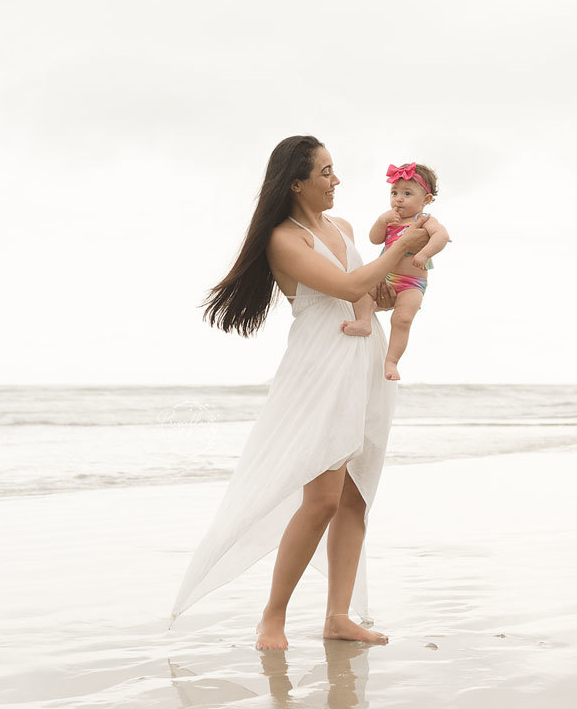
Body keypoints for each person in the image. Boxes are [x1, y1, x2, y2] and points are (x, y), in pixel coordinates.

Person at [169, 135, 429, 651]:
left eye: (335, 170)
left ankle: (338, 616)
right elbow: (348, 287)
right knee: (321, 500)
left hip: (365, 361)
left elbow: (364, 294)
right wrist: (396, 251)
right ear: (297, 182)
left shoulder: (344, 229)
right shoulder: (284, 239)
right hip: (319, 366)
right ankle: (272, 616)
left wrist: (385, 291)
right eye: (326, 172)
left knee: (356, 495)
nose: (337, 181)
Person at [340, 162, 450, 381]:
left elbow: (442, 236)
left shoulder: (425, 220)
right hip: (386, 278)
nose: (398, 198)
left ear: (425, 200)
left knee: (403, 319)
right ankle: (364, 322)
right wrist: (382, 220)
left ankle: (391, 361)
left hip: (412, 284)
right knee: (359, 288)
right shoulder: (392, 219)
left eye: (407, 193)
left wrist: (425, 254)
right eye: (394, 192)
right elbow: (374, 239)